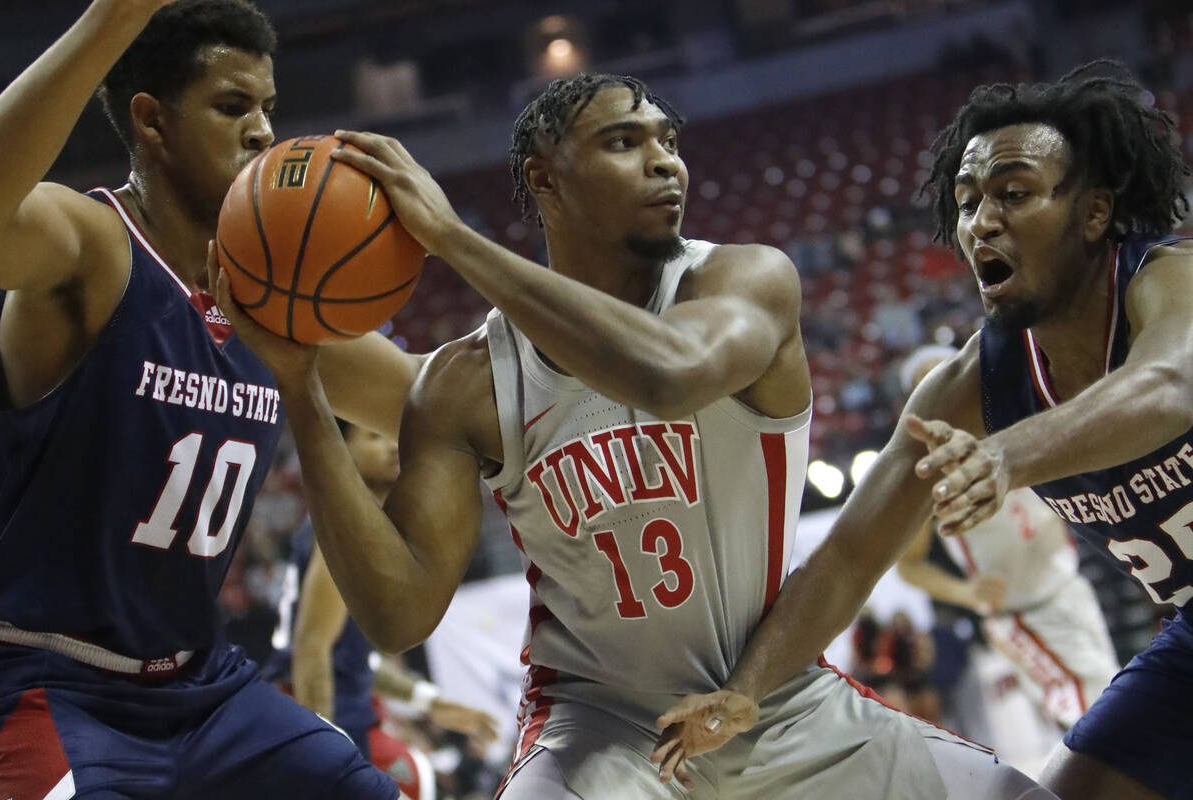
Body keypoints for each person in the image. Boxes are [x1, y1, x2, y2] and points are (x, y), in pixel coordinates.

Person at [215, 72, 1049, 799]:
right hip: (598, 728)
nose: (665, 159)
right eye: (624, 141)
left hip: (777, 697)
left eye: (667, 139)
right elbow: (398, 616)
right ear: (546, 178)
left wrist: (452, 241)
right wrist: (300, 391)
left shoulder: (743, 278)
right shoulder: (464, 382)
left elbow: (668, 373)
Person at [653, 62, 1192, 800]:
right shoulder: (977, 382)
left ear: (1094, 212)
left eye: (1014, 193)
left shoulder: (1166, 279)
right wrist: (744, 694)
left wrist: (1004, 455)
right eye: (967, 203)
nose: (982, 222)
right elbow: (849, 555)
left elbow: (1168, 386)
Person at [0, 2, 418, 796]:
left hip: (204, 688)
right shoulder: (92, 243)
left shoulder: (272, 301)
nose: (263, 131)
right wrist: (112, 19)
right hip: (48, 678)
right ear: (151, 123)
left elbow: (441, 399)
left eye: (267, 108)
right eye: (233, 106)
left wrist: (456, 242)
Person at [263, 419, 499, 795]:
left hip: (334, 709)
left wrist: (430, 702)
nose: (392, 446)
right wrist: (322, 757)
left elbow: (349, 657)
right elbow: (312, 650)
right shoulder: (346, 527)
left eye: (395, 436)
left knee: (418, 779)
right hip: (314, 711)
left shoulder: (365, 522)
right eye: (375, 437)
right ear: (343, 452)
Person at [895, 345, 1119, 730]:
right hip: (1020, 613)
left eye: (945, 373)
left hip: (1069, 588)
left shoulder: (1014, 420)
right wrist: (965, 593)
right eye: (926, 382)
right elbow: (908, 566)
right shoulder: (930, 472)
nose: (942, 388)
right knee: (1103, 716)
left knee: (1112, 700)